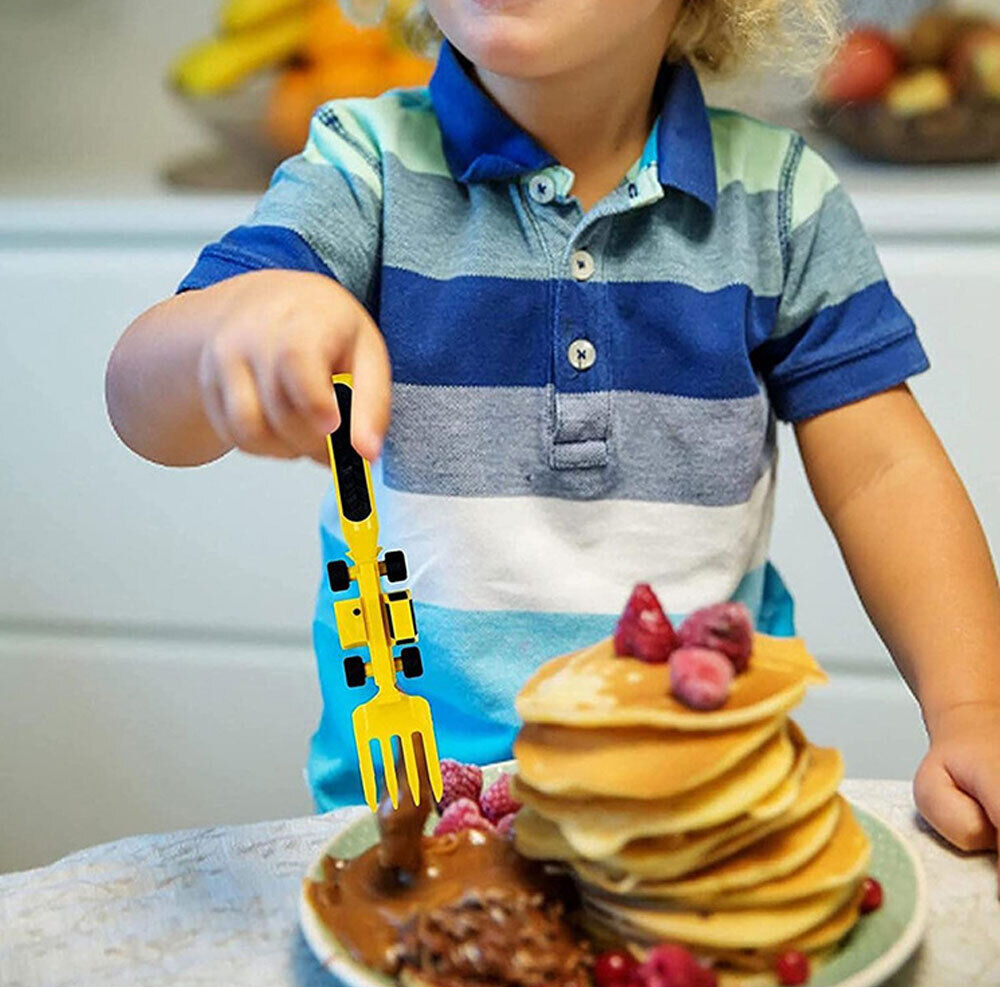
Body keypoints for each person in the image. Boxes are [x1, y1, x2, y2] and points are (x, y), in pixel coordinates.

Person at [106, 0, 999, 869]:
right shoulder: (362, 166)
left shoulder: (781, 203)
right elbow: (143, 406)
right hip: (416, 818)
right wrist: (233, 327)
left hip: (701, 812)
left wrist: (974, 706)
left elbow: (885, 473)